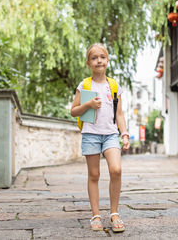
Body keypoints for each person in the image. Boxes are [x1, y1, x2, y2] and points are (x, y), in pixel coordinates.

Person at [70, 43, 130, 232]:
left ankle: (114, 213)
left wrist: (124, 133)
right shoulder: (84, 85)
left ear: (107, 60)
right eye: (94, 58)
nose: (99, 61)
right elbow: (73, 111)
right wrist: (88, 104)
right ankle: (96, 215)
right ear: (89, 63)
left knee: (116, 169)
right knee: (94, 175)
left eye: (102, 57)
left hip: (111, 134)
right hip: (90, 135)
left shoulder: (113, 85)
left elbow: (119, 114)